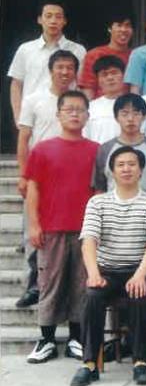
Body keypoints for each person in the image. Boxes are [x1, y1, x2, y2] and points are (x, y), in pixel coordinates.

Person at [73, 146, 146, 386]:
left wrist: (140, 275)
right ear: (112, 171)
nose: (127, 169)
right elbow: (89, 241)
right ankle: (89, 363)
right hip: (107, 269)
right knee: (92, 296)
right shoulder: (98, 202)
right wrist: (94, 274)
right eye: (121, 165)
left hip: (140, 268)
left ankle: (140, 362)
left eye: (132, 164)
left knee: (139, 293)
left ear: (141, 170)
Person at [23, 90, 98, 364]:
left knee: (81, 283)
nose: (75, 114)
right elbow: (33, 189)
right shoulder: (42, 149)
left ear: (88, 116)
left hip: (85, 231)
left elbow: (99, 191)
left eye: (80, 110)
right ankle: (46, 339)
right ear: (58, 114)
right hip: (51, 227)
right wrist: (34, 224)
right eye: (69, 109)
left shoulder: (96, 150)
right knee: (49, 283)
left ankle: (76, 338)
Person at [15, 50, 79, 308]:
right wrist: (23, 174)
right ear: (50, 69)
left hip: (71, 174)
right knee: (35, 234)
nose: (64, 72)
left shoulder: (79, 101)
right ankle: (34, 285)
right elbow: (24, 138)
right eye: (60, 67)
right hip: (40, 173)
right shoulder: (34, 99)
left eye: (69, 67)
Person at [7, 0, 85, 124]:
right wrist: (18, 116)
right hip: (32, 117)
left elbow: (83, 85)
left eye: (58, 17)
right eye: (48, 16)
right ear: (39, 19)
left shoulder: (78, 50)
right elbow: (16, 84)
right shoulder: (26, 49)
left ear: (64, 21)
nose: (53, 21)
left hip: (68, 117)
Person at [92, 93, 146, 197]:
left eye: (136, 113)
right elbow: (99, 188)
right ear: (116, 117)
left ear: (144, 117)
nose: (130, 118)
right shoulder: (105, 149)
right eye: (124, 114)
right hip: (112, 207)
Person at [79, 11, 133, 99]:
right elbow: (88, 89)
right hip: (100, 105)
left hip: (127, 105)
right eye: (119, 25)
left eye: (128, 25)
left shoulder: (135, 56)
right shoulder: (94, 55)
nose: (123, 29)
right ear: (109, 29)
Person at [83, 55, 127, 144]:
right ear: (98, 80)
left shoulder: (135, 104)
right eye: (104, 74)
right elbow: (85, 138)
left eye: (114, 73)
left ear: (124, 75)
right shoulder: (90, 108)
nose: (110, 78)